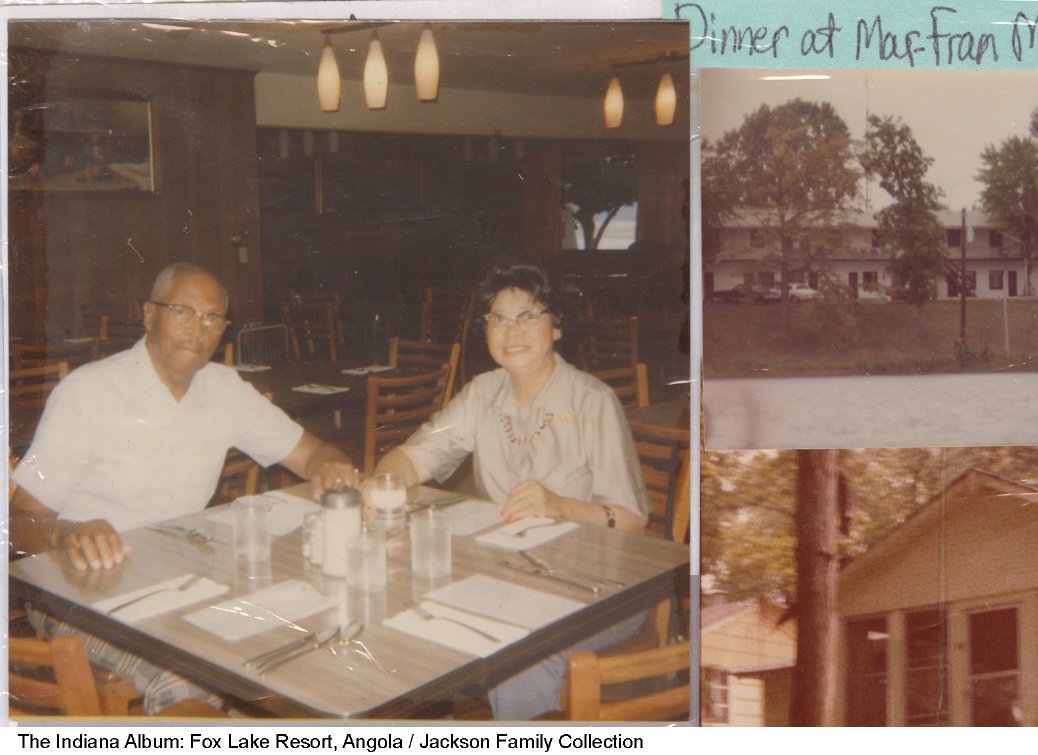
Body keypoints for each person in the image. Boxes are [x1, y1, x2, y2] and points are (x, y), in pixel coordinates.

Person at [10, 262, 357, 713]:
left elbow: (313, 453)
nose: (199, 330)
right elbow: (18, 523)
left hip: (183, 580)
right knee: (191, 677)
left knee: (307, 638)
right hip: (81, 594)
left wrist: (331, 465)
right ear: (149, 315)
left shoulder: (223, 388)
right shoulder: (88, 392)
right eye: (183, 312)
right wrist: (65, 533)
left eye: (213, 318)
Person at [374, 262, 650, 719]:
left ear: (556, 326)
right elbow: (409, 458)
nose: (511, 330)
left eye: (528, 315)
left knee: (519, 656)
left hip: (601, 589)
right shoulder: (482, 395)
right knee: (411, 610)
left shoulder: (591, 401)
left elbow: (633, 521)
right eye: (498, 318)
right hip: (510, 578)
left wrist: (559, 505)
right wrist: (381, 489)